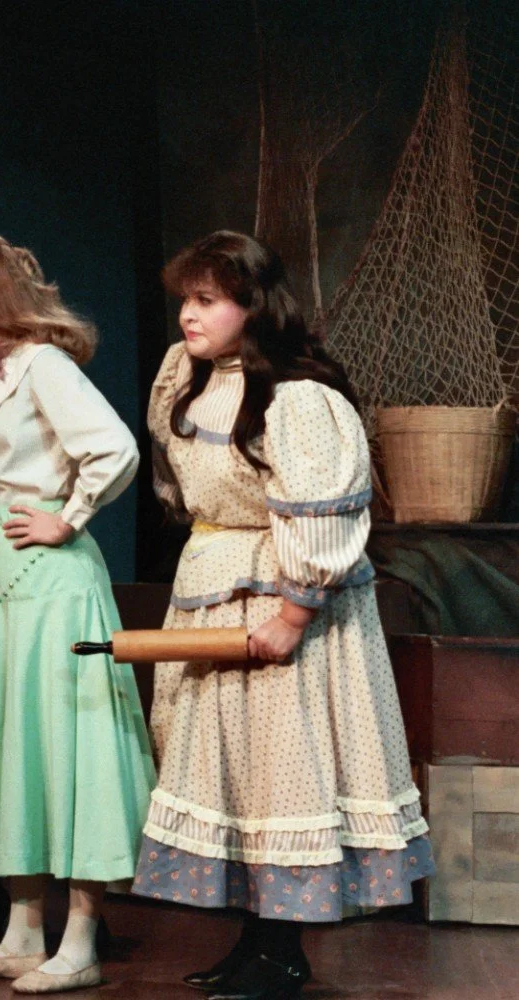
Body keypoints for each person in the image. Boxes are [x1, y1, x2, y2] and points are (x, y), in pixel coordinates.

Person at [134, 231, 434, 1000]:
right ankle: (254, 941)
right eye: (185, 301)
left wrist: (294, 614)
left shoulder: (298, 398)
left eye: (206, 301)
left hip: (276, 593)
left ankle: (283, 951)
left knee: (281, 774)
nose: (189, 317)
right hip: (213, 582)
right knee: (231, 770)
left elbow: (323, 518)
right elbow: (180, 486)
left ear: (252, 304)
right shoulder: (188, 380)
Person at [0, 233, 155, 994]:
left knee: (71, 744)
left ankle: (80, 938)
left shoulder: (44, 367)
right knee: (17, 746)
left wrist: (69, 515)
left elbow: (113, 449)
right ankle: (24, 932)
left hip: (58, 584)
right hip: (15, 584)